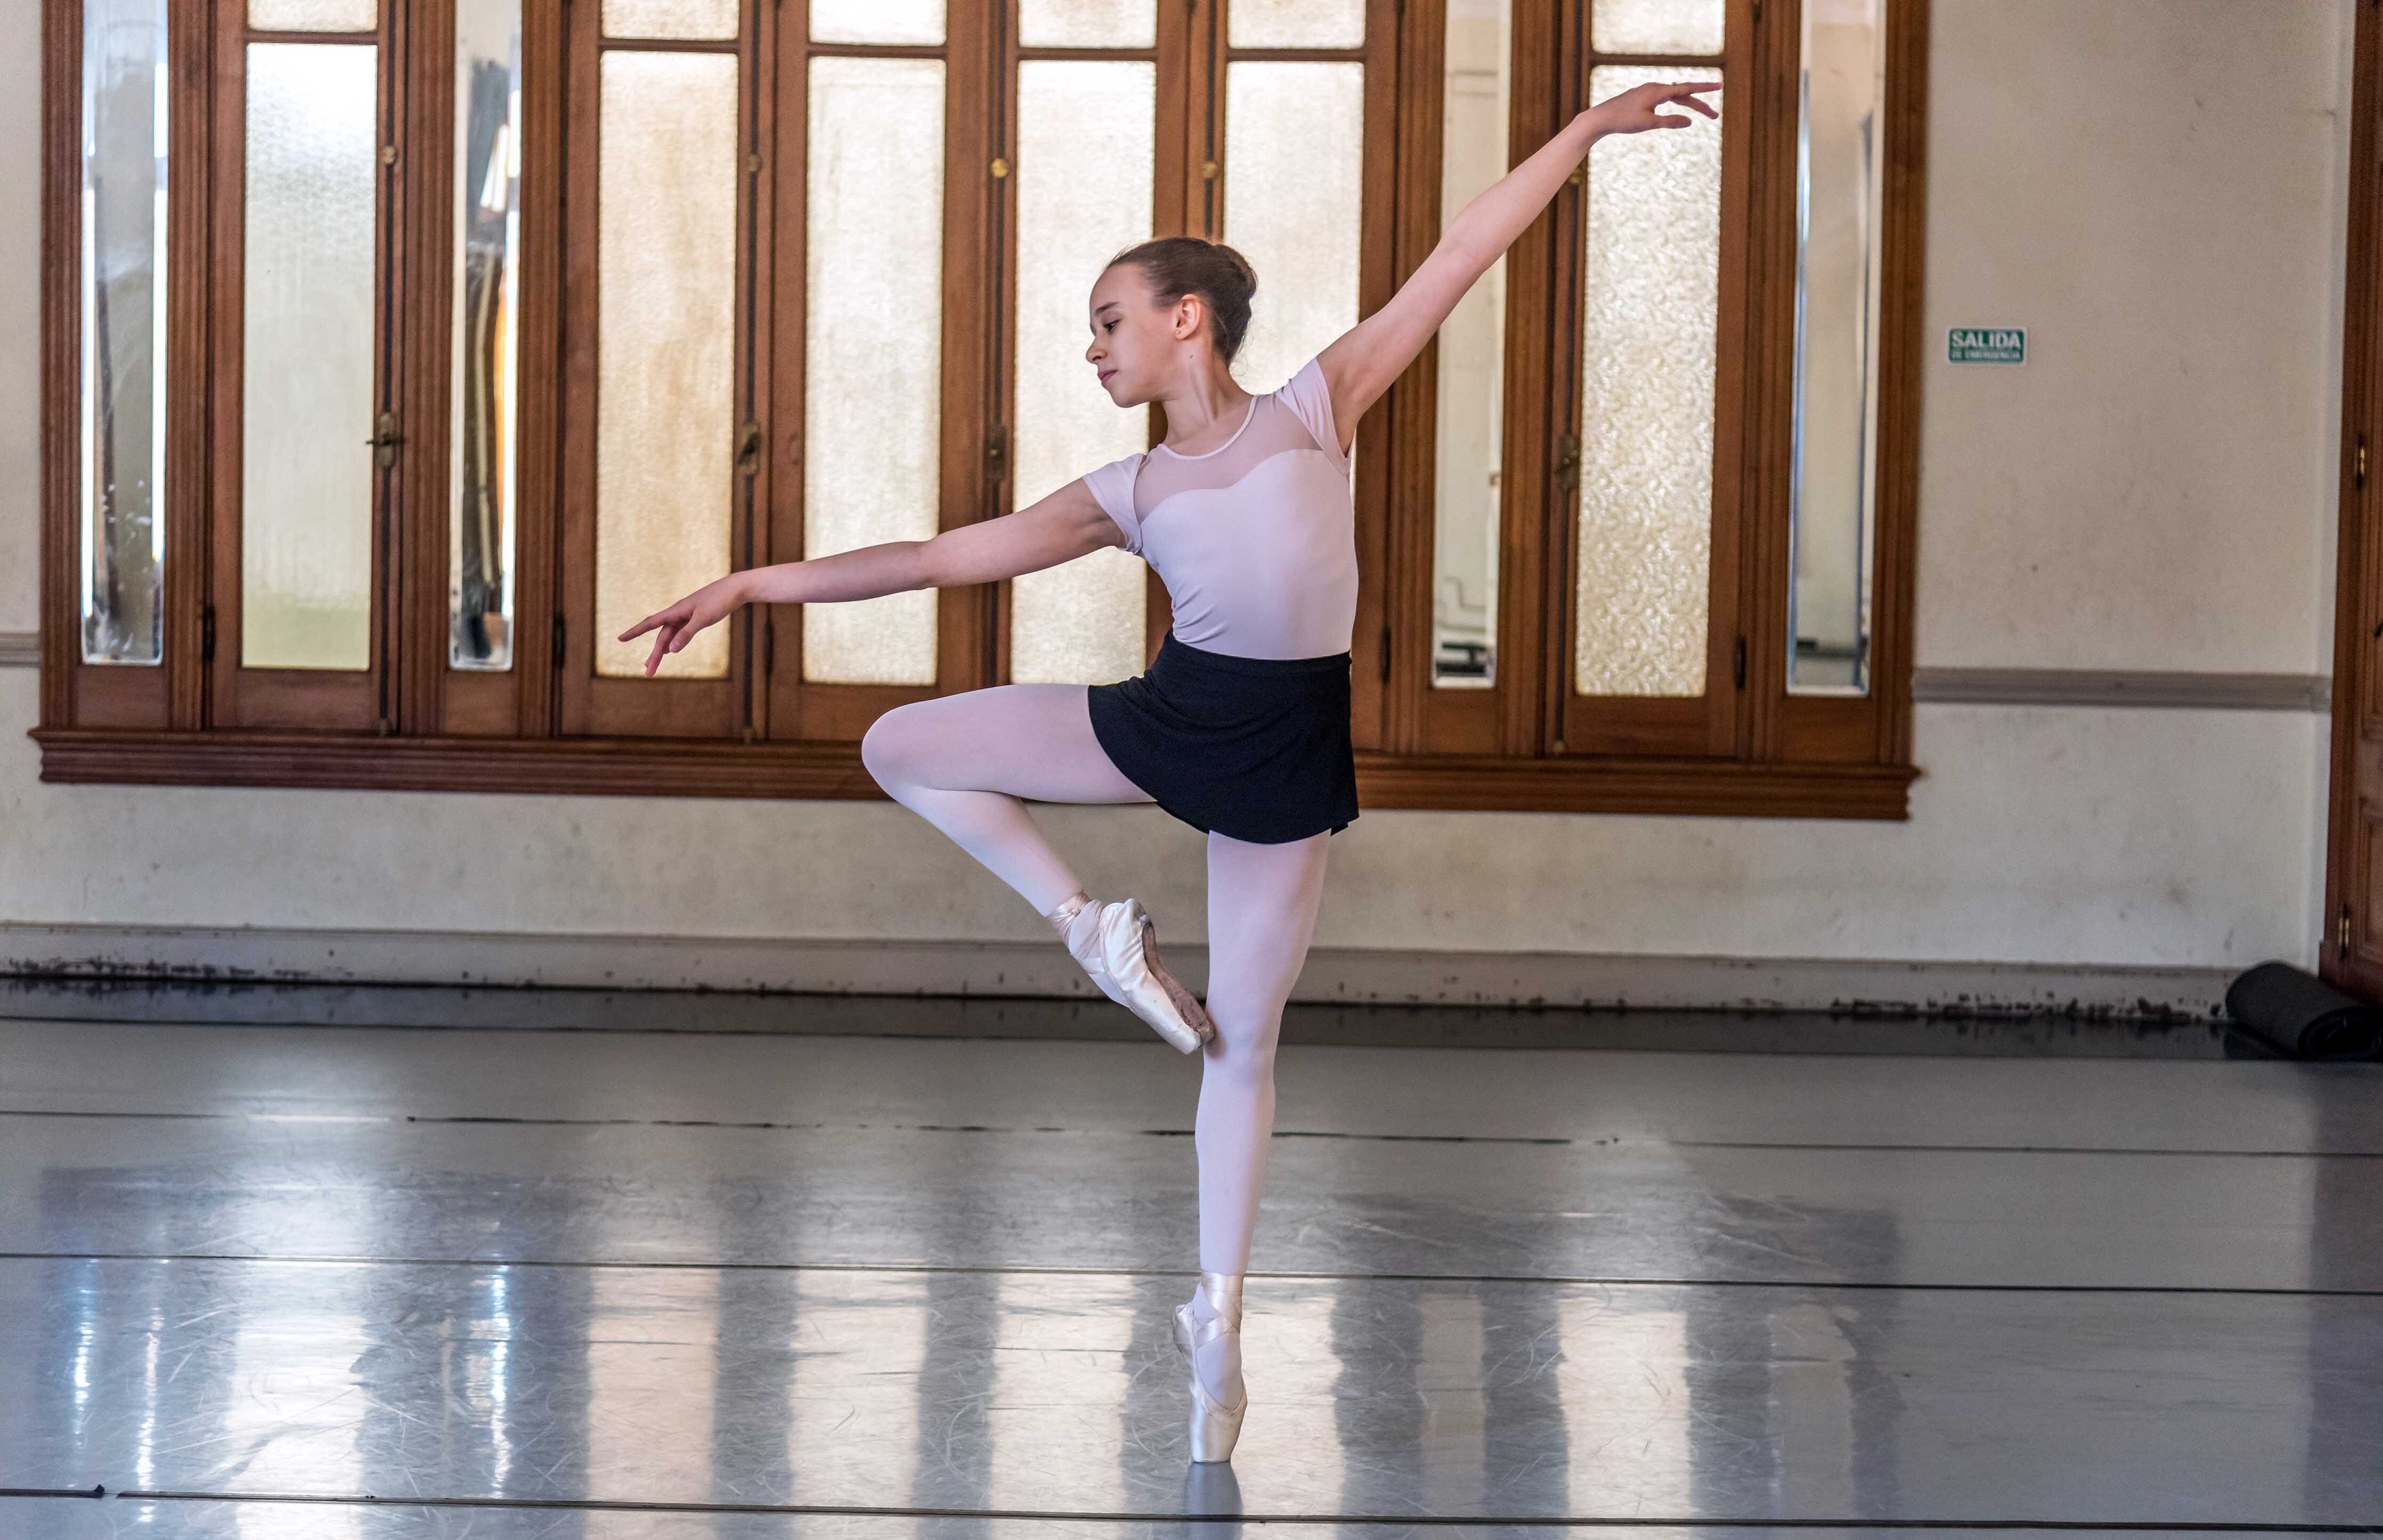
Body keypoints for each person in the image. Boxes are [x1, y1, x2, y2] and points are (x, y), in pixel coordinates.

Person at [620, 78, 1722, 1463]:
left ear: (1182, 318)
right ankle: (1087, 923)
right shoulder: (1123, 494)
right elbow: (936, 558)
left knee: (1243, 1040)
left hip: (1283, 744)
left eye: (1107, 319)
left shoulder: (1321, 405)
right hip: (1170, 714)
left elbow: (1461, 254)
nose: (1092, 346)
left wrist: (1584, 129)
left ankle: (1220, 1321)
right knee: (900, 742)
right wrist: (746, 585)